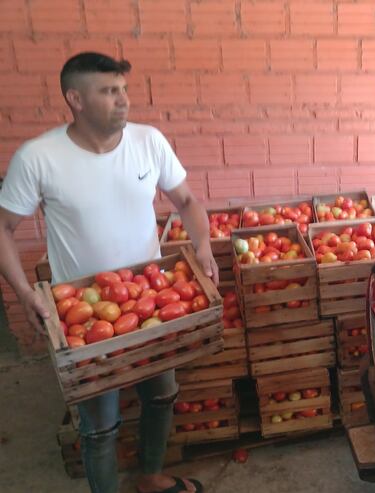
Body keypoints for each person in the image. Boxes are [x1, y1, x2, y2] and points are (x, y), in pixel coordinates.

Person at [0, 53, 217, 493]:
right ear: (75, 99)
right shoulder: (39, 157)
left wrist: (204, 247)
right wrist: (23, 291)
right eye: (108, 91)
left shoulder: (148, 141)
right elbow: (3, 226)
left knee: (160, 395)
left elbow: (188, 202)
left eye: (123, 90)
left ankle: (150, 477)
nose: (123, 100)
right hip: (82, 310)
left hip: (150, 300)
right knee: (100, 421)